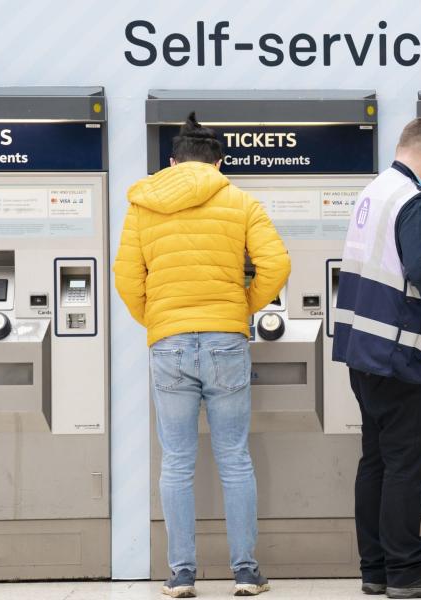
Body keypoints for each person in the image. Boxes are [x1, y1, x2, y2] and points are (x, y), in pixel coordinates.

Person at [114, 113, 290, 598]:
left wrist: (158, 320)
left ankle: (182, 574)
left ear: (172, 162)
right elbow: (277, 265)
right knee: (234, 457)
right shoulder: (240, 200)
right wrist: (241, 307)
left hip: (168, 341)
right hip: (225, 339)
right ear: (219, 162)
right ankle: (246, 572)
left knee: (176, 461)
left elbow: (126, 277)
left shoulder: (143, 204)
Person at [332, 117, 421, 599]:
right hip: (403, 355)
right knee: (406, 468)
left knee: (377, 462)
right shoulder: (415, 201)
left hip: (365, 351)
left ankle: (376, 568)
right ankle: (408, 571)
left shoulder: (375, 192)